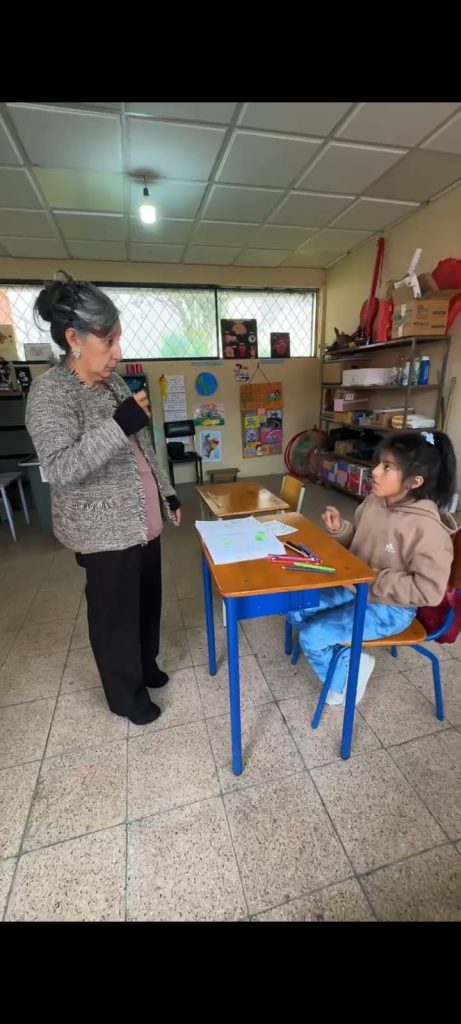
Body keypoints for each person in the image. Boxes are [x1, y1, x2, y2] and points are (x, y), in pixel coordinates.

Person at [26, 271, 181, 726]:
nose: (118, 353)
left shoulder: (111, 384)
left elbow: (141, 444)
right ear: (74, 338)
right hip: (102, 529)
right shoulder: (50, 394)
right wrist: (118, 425)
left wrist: (167, 492)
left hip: (142, 519)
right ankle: (126, 697)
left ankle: (146, 666)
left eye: (119, 339)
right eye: (108, 341)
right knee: (114, 617)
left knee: (147, 601)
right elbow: (59, 467)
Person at [288, 430, 458, 706]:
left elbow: (429, 591)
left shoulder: (428, 530)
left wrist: (369, 578)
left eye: (387, 467)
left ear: (415, 481)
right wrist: (340, 530)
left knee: (312, 636)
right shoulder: (373, 503)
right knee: (295, 604)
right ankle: (345, 658)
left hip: (392, 608)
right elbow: (359, 542)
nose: (374, 472)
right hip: (357, 587)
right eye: (379, 462)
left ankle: (345, 682)